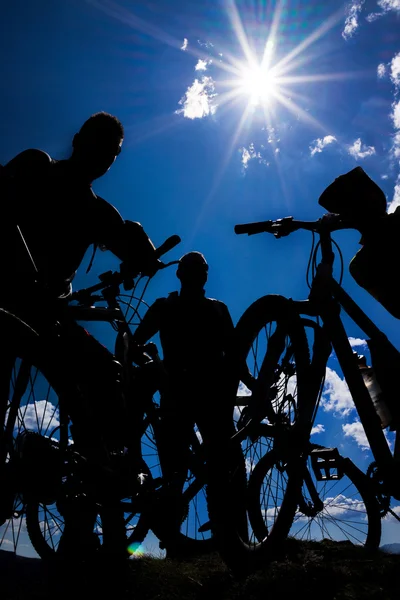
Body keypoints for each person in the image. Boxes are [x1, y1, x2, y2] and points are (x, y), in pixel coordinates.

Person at [0, 111, 160, 561]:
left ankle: (83, 518)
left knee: (104, 378)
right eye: (100, 146)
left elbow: (128, 242)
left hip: (47, 313)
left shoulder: (97, 210)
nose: (106, 158)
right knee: (96, 379)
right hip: (13, 302)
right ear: (77, 140)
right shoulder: (37, 167)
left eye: (113, 153)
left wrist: (138, 245)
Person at [130, 250, 255, 556]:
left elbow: (134, 344)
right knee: (226, 468)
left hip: (177, 394)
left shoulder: (165, 306)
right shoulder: (217, 309)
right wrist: (255, 387)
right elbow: (237, 360)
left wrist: (150, 362)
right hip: (210, 397)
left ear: (179, 275)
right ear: (204, 275)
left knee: (178, 472)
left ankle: (182, 544)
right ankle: (234, 539)